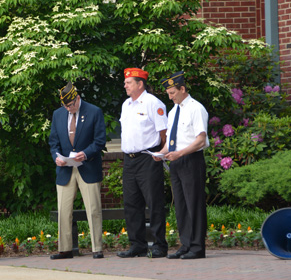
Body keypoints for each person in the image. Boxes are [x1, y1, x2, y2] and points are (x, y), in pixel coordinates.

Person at [49, 81, 107, 259]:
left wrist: (86, 153)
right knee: (64, 210)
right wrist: (57, 158)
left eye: (71, 104)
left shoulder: (94, 111)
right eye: (65, 105)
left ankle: (97, 248)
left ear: (78, 98)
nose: (69, 108)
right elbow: (53, 142)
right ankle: (65, 249)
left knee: (93, 209)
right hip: (65, 168)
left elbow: (100, 141)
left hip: (87, 166)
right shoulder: (58, 115)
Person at [156, 71, 209, 259]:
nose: (170, 97)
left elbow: (200, 140)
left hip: (191, 160)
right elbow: (171, 140)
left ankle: (197, 246)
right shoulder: (172, 112)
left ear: (183, 89)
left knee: (194, 203)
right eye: (168, 93)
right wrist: (160, 153)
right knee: (181, 205)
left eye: (172, 93)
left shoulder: (196, 108)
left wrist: (180, 153)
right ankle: (185, 244)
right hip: (176, 161)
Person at [117, 68, 169, 258]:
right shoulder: (126, 105)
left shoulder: (153, 103)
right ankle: (137, 244)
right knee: (131, 203)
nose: (125, 85)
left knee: (154, 202)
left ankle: (159, 245)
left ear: (140, 84)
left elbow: (163, 132)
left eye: (129, 82)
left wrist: (161, 154)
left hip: (148, 158)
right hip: (129, 160)